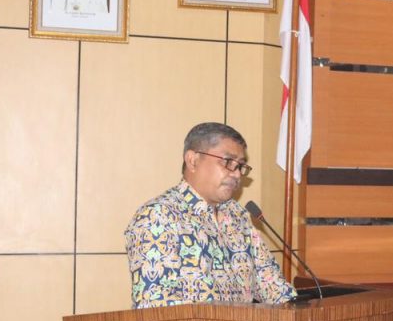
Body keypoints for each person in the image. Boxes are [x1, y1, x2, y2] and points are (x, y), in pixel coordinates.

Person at [125, 122, 296, 308]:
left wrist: (294, 308)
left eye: (240, 166)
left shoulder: (238, 216)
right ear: (193, 160)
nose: (237, 175)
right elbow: (154, 305)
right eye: (228, 162)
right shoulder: (158, 216)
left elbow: (271, 284)